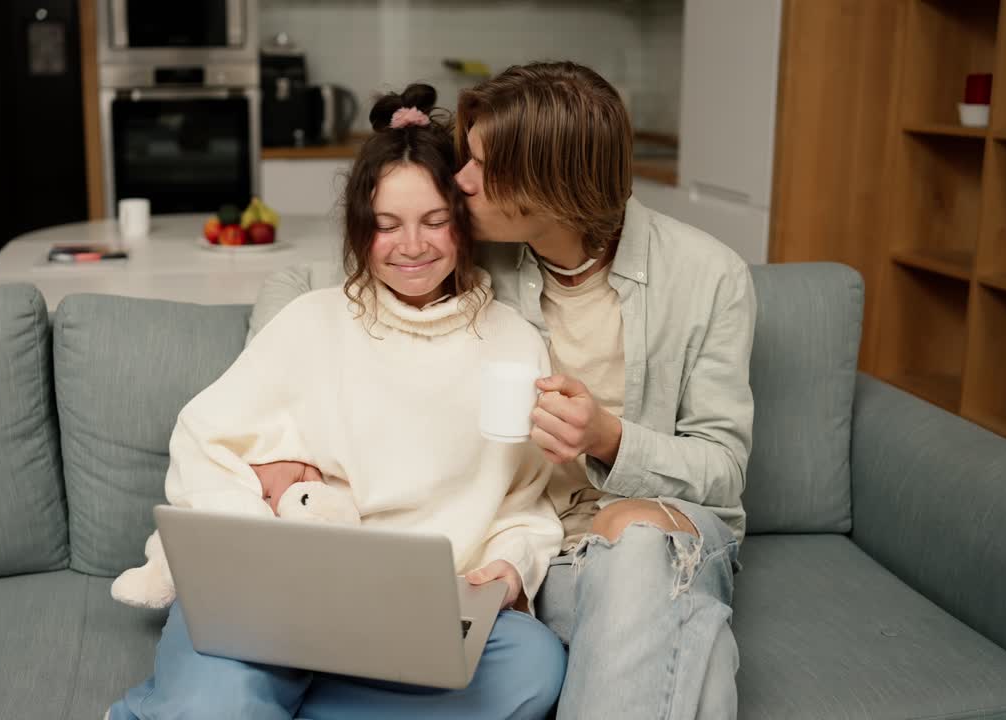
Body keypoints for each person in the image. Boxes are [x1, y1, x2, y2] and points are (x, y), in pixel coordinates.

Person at [248, 61, 757, 719]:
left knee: (632, 532)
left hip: (667, 536)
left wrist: (609, 438)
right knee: (699, 662)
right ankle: (691, 635)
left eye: (482, 167)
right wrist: (279, 433)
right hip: (549, 559)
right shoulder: (474, 249)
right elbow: (297, 286)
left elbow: (725, 470)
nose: (459, 181)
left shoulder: (711, 277)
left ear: (550, 184)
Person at [109, 84, 566, 720]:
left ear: (465, 223)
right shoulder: (311, 322)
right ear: (360, 229)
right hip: (278, 597)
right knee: (220, 702)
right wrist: (257, 528)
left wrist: (509, 568)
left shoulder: (515, 344)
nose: (413, 245)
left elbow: (528, 502)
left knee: (534, 666)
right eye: (387, 226)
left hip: (414, 616)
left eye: (435, 221)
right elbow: (203, 440)